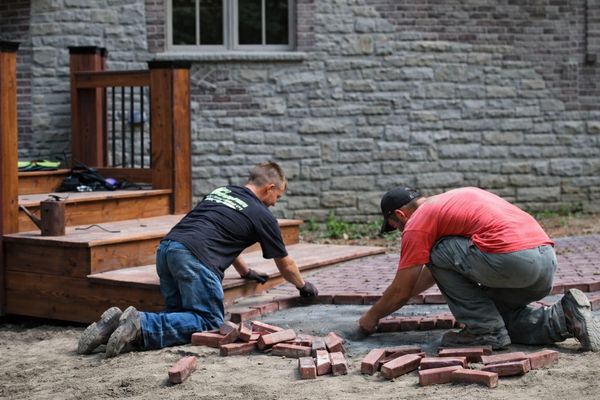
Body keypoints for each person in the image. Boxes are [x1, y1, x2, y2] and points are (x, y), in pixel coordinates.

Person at [78, 162, 318, 357]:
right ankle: (141, 323)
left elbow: (221, 234)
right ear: (269, 187)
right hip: (195, 259)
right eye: (278, 195)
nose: (276, 202)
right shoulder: (263, 215)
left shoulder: (221, 192)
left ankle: (114, 326)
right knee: (209, 321)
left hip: (168, 249)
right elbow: (285, 264)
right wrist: (303, 287)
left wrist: (245, 273)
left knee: (180, 315)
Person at [357, 186, 600, 351]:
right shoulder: (457, 198)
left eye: (396, 226)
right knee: (500, 318)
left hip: (512, 261)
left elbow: (403, 288)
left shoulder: (418, 223)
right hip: (545, 263)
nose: (402, 232)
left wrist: (371, 317)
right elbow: (421, 280)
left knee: (437, 251)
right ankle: (565, 318)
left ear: (400, 214)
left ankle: (484, 332)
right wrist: (406, 291)